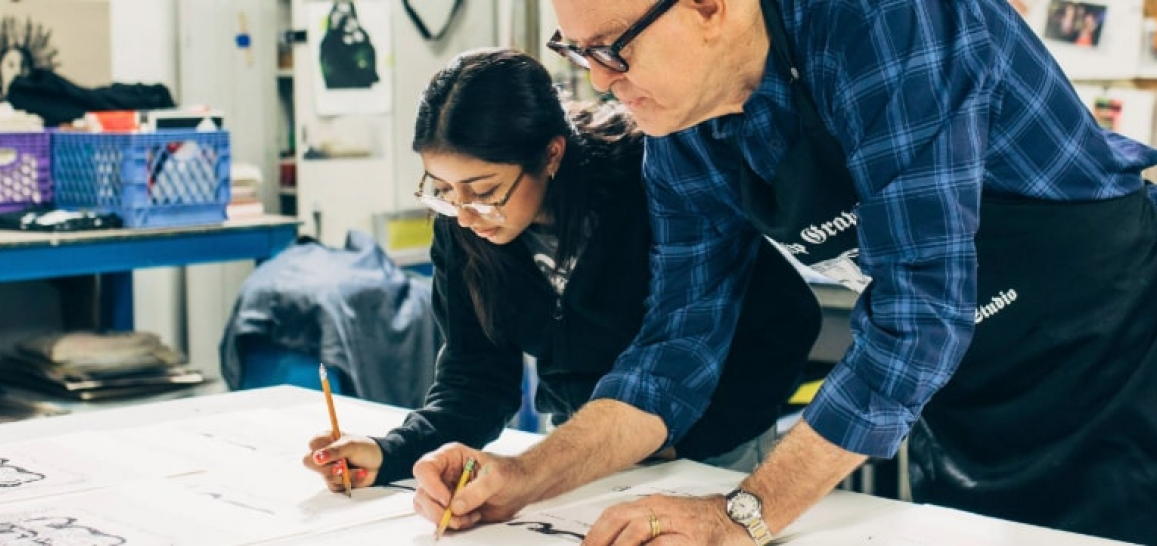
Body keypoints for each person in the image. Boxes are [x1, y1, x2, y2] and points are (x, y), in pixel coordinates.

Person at [415, 1, 1157, 545]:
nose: (597, 81)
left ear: (709, 7)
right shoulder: (686, 131)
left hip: (1119, 349)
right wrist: (524, 479)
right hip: (966, 385)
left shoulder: (884, 23)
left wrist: (743, 514)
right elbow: (673, 350)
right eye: (579, 52)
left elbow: (921, 310)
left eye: (612, 51)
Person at [299, 48, 820, 497]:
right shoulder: (463, 228)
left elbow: (785, 324)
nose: (465, 214)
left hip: (707, 454)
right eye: (443, 190)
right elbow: (475, 382)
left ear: (551, 154)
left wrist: (684, 440)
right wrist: (390, 454)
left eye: (483, 191)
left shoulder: (654, 183)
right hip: (576, 452)